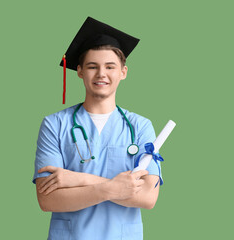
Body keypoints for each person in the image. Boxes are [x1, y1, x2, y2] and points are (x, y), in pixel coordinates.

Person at [32, 17, 163, 240]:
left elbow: (148, 198)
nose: (101, 74)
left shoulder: (140, 126)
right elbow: (47, 200)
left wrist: (78, 179)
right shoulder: (54, 125)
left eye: (110, 66)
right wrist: (111, 188)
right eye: (93, 66)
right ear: (80, 71)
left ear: (123, 72)